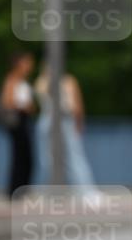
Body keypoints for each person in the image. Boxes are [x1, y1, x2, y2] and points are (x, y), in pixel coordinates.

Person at [34, 67, 101, 198]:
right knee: (54, 158)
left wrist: (79, 121)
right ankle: (83, 192)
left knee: (62, 158)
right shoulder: (52, 81)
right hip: (56, 120)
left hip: (58, 120)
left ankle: (83, 191)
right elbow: (76, 104)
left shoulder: (56, 81)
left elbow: (76, 104)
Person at [1, 51, 35, 198]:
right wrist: (24, 106)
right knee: (19, 157)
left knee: (27, 157)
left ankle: (23, 188)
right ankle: (15, 189)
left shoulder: (24, 82)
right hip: (17, 121)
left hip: (25, 120)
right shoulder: (12, 80)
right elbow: (7, 101)